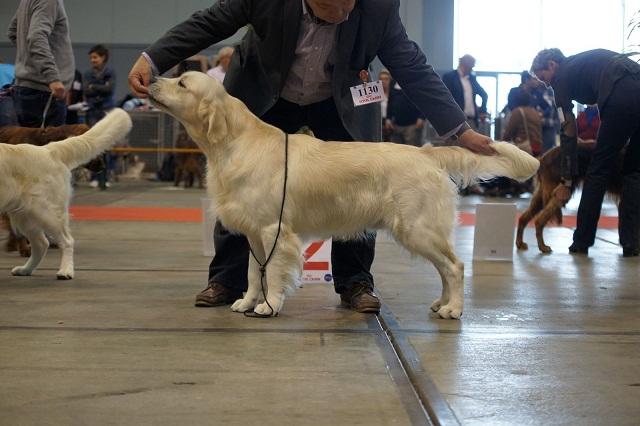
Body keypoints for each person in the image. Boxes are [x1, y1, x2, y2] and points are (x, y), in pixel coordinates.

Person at [128, 0, 495, 313]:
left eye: (350, 3)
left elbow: (412, 67)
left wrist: (460, 131)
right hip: (268, 95)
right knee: (242, 188)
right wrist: (152, 57)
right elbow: (209, 23)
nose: (345, 12)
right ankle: (226, 280)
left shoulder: (377, 5)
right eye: (333, 6)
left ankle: (355, 284)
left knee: (363, 182)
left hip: (340, 101)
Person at [531, 48, 640, 257]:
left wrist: (567, 181)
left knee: (597, 169)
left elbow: (568, 132)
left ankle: (582, 241)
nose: (545, 83)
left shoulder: (561, 77)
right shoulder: (583, 62)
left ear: (552, 65)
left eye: (543, 77)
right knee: (634, 171)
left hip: (620, 98)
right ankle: (631, 243)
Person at [7, 0, 74, 128]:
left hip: (29, 89)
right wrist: (52, 77)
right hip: (44, 91)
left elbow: (13, 32)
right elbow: (36, 38)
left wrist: (29, 60)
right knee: (50, 147)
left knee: (29, 146)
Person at [441, 54, 488, 130]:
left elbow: (484, 95)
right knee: (454, 142)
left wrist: (483, 110)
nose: (472, 68)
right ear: (465, 64)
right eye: (471, 65)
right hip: (455, 122)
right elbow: (445, 98)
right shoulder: (449, 77)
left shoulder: (472, 78)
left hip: (471, 121)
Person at [386, 78, 426, 147]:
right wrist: (388, 118)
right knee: (395, 151)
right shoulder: (393, 81)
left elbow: (424, 100)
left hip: (412, 124)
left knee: (412, 151)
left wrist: (422, 117)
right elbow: (390, 101)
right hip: (396, 124)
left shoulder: (417, 80)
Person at [378, 69, 391, 141]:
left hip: (393, 123)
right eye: (381, 79)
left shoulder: (394, 93)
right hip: (379, 122)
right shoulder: (375, 94)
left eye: (386, 79)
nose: (383, 81)